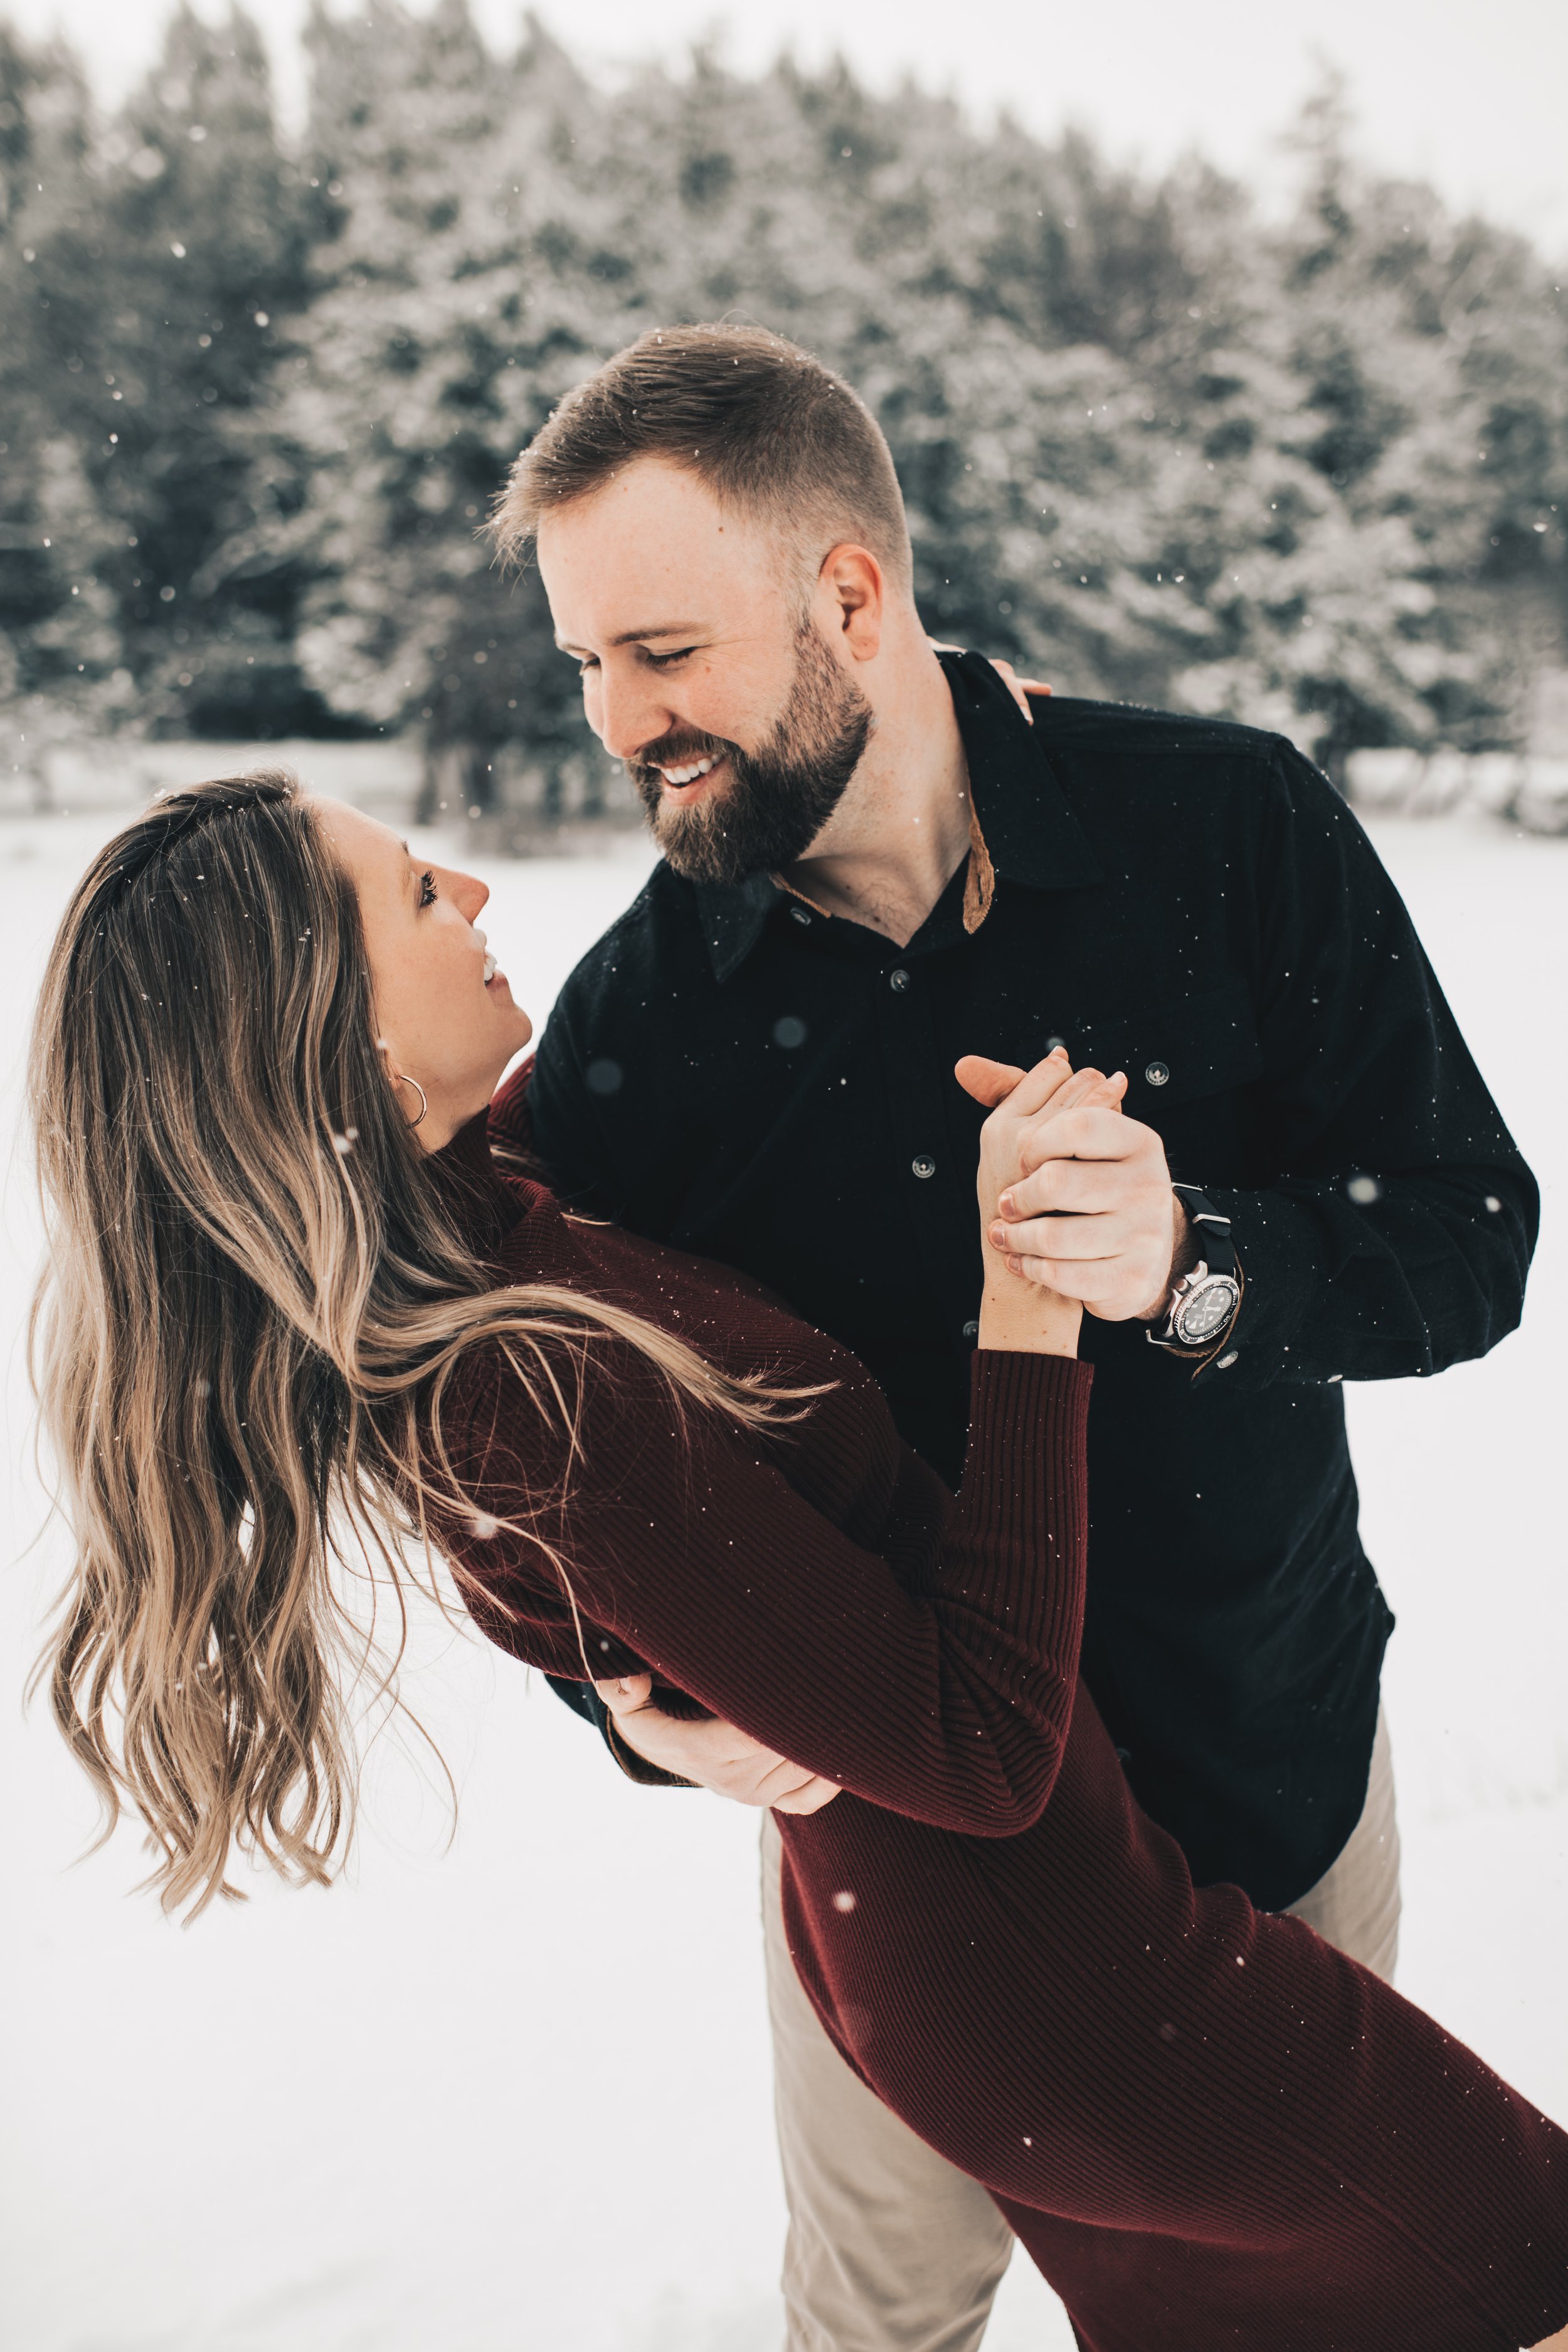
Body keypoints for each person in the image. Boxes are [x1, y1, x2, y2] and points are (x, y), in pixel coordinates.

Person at [28, 773, 1568, 2349]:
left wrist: (938, 736)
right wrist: (1029, 1298)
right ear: (341, 1049)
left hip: (1017, 1949)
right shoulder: (513, 1385)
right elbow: (975, 1750)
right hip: (1078, 1983)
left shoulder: (475, 1221)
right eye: (417, 893)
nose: (475, 894)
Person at [488, 323, 1542, 2348]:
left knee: (1320, 2327)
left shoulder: (1226, 826)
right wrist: (622, 1705)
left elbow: (1469, 1243)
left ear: (851, 595)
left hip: (1262, 1780)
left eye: (665, 654)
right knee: (879, 2328)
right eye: (587, 666)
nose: (622, 723)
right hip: (904, 1884)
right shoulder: (638, 1020)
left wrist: (1194, 1261)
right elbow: (554, 1438)